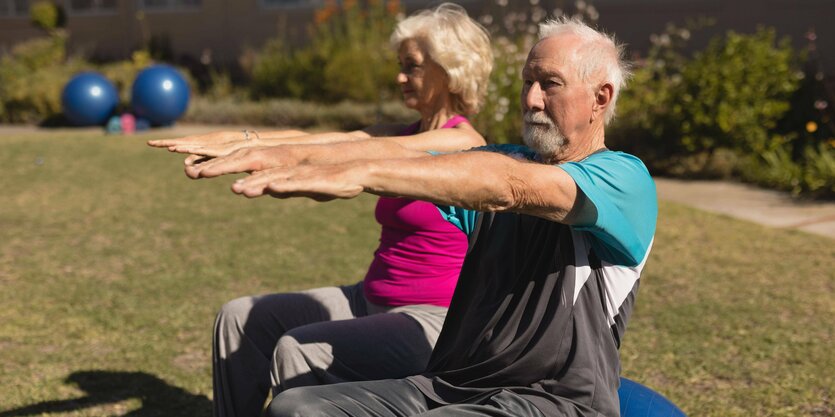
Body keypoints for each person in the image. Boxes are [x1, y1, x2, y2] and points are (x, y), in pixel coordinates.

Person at [182, 16, 658, 417]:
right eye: (527, 83)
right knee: (296, 409)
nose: (531, 99)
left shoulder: (622, 180)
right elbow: (399, 159)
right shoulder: (502, 158)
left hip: (549, 400)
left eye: (549, 84)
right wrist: (278, 155)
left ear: (600, 98)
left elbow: (511, 186)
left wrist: (360, 172)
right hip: (451, 386)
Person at [149, 4, 493, 417]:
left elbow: (360, 151)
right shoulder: (408, 132)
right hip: (371, 298)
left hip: (433, 321)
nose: (400, 76)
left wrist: (267, 154)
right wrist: (244, 140)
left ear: (450, 69)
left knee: (298, 349)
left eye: (412, 66)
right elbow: (329, 138)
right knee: (239, 318)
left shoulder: (463, 144)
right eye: (400, 65)